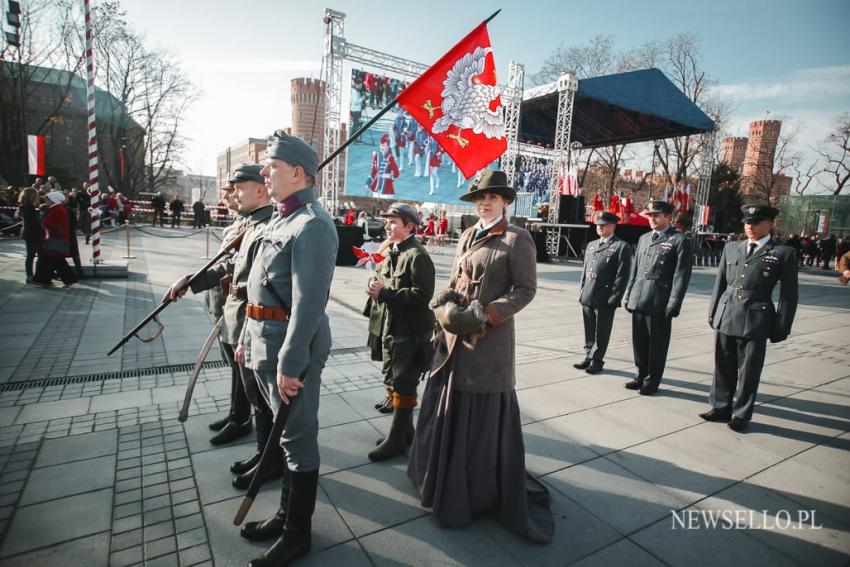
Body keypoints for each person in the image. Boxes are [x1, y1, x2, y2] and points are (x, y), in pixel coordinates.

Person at [408, 170, 554, 543]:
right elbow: (459, 280)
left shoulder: (516, 238)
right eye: (479, 198)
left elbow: (526, 290)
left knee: (478, 411)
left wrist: (486, 314)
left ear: (505, 201)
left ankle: (473, 493)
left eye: (492, 197)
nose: (484, 203)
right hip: (454, 338)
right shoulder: (468, 234)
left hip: (488, 343)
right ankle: (438, 478)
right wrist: (443, 299)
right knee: (447, 403)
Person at [235, 131, 338, 566]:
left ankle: (297, 534)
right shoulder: (280, 218)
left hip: (288, 353)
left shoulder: (312, 224)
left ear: (297, 173)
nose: (264, 173)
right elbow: (257, 286)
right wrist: (244, 338)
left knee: (297, 439)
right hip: (262, 343)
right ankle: (283, 516)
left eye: (271, 167)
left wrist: (291, 365)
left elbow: (308, 305)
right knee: (282, 436)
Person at [165, 164, 281, 487]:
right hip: (238, 314)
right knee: (254, 394)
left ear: (260, 189)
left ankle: (269, 460)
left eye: (240, 188)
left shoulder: (267, 225)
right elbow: (229, 265)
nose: (233, 194)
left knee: (260, 397)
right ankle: (264, 453)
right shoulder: (251, 224)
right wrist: (189, 281)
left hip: (253, 318)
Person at [702, 205, 798, 431]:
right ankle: (720, 406)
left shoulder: (782, 253)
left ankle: (741, 413)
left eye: (756, 222)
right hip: (727, 312)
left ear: (770, 223)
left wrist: (782, 326)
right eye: (747, 222)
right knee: (722, 365)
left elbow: (789, 295)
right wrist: (714, 312)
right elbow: (720, 285)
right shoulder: (732, 248)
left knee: (749, 370)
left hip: (755, 318)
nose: (750, 226)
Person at [364, 203, 435, 460]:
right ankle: (405, 433)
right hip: (390, 327)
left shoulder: (417, 255)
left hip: (409, 330)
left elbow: (422, 296)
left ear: (409, 226)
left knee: (404, 382)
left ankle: (397, 438)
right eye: (387, 221)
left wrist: (385, 293)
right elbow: (384, 283)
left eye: (394, 222)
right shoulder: (391, 251)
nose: (388, 225)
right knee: (392, 379)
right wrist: (375, 287)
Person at [622, 200, 693, 395]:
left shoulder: (679, 241)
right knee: (640, 342)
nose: (652, 219)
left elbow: (681, 275)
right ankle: (640, 374)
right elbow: (635, 270)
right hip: (639, 297)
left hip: (659, 301)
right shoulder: (644, 238)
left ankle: (652, 380)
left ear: (668, 217)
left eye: (657, 215)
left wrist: (674, 302)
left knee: (657, 346)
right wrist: (628, 294)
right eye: (650, 215)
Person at [575, 211, 633, 374]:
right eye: (598, 225)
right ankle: (588, 355)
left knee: (601, 331)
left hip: (605, 297)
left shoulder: (621, 247)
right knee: (589, 328)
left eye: (603, 225)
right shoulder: (592, 244)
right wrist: (581, 292)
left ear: (613, 226)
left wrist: (615, 298)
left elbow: (622, 276)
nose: (599, 227)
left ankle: (597, 360)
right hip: (588, 294)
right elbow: (585, 271)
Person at [31, 191, 76, 287]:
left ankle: (42, 279)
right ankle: (44, 279)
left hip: (55, 238)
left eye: (47, 199)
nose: (46, 200)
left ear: (53, 200)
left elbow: (56, 224)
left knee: (53, 259)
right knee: (54, 259)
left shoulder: (58, 209)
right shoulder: (56, 208)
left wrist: (45, 224)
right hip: (55, 238)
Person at [17, 187, 42, 283]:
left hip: (29, 232)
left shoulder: (24, 207)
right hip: (33, 232)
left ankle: (30, 275)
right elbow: (34, 222)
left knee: (31, 255)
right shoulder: (29, 208)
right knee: (32, 254)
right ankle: (31, 275)